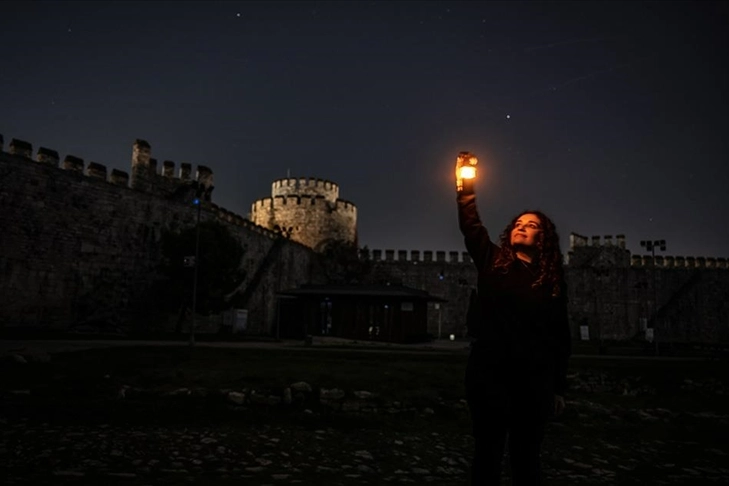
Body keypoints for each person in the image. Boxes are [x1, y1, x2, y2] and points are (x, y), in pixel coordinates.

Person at [455, 152, 571, 485]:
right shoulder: (492, 261)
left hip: (534, 379)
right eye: (519, 224)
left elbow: (559, 335)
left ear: (543, 238)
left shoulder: (551, 282)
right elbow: (471, 225)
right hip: (490, 373)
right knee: (487, 455)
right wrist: (465, 185)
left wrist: (558, 387)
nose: (523, 227)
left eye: (532, 225)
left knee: (526, 458)